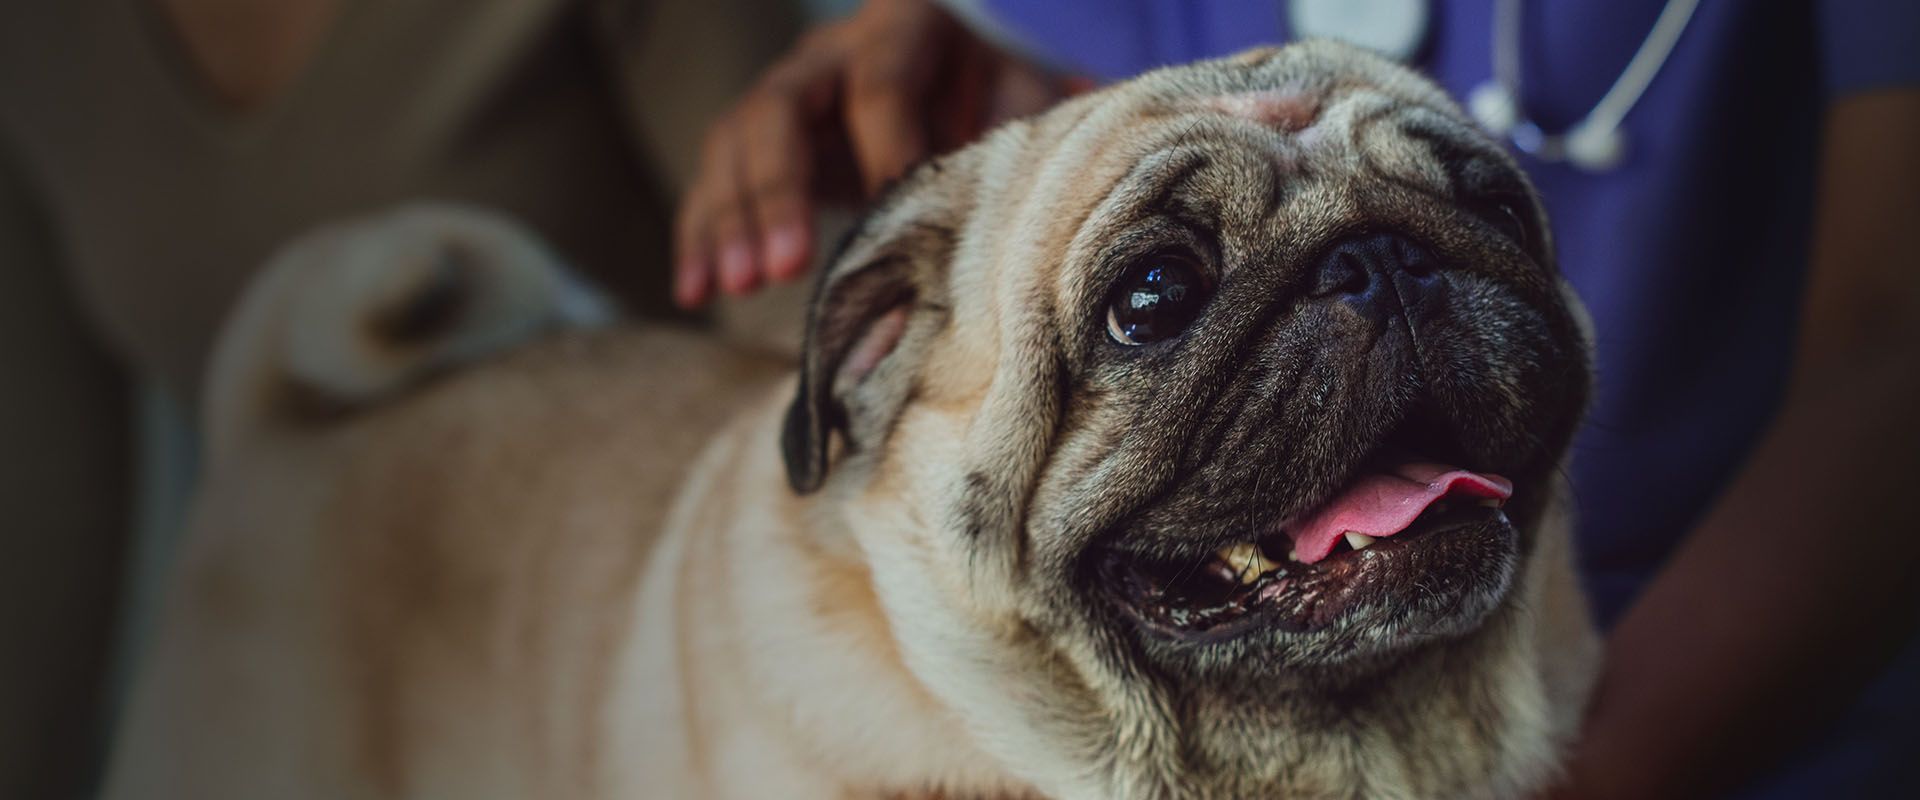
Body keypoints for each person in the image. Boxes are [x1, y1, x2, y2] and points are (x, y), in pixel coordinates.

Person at [673, 1, 1920, 797]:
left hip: (1742, 685)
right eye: (1153, 295)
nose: (1370, 289)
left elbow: (1895, 337)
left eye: (1469, 211)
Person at [0, 1, 800, 796]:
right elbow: (40, 517)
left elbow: (803, 320)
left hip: (599, 664)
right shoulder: (32, 42)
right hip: (266, 635)